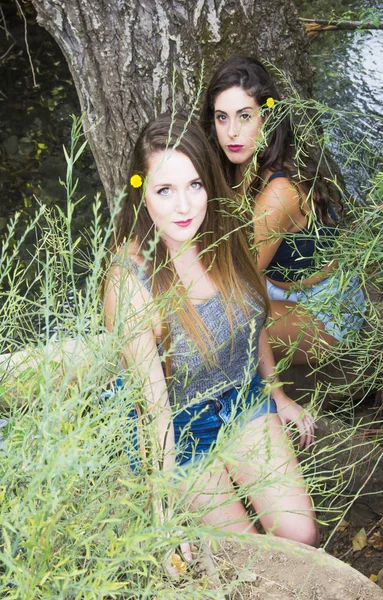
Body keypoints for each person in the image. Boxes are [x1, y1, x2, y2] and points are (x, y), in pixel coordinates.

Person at [103, 113, 319, 548]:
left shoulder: (227, 234)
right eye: (165, 190)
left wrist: (277, 395)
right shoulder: (131, 279)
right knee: (254, 564)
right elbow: (154, 410)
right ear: (141, 192)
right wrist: (165, 511)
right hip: (182, 430)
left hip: (243, 399)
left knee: (301, 536)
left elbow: (253, 323)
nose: (184, 207)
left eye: (194, 185)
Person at [200, 56, 366, 364]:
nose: (232, 132)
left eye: (245, 116)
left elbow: (237, 279)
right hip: (272, 289)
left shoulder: (279, 192)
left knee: (223, 320)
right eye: (222, 118)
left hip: (325, 312)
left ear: (268, 117)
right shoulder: (234, 168)